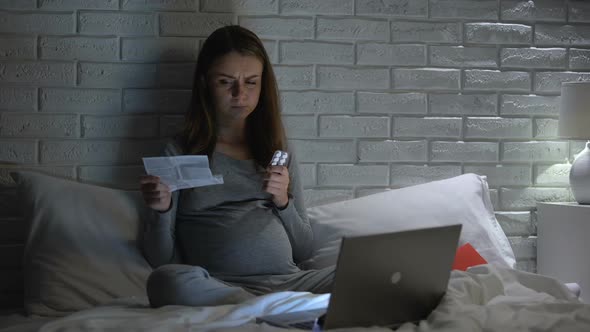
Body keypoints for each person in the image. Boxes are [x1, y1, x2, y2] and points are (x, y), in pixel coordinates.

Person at [139, 25, 334, 308]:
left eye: (251, 82)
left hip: (288, 280)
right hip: (221, 285)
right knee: (165, 281)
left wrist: (282, 201)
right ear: (205, 82)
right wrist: (160, 210)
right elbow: (158, 259)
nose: (239, 93)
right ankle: (265, 306)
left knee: (365, 275)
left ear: (263, 85)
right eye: (225, 82)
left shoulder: (278, 150)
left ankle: (271, 306)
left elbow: (304, 249)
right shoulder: (180, 150)